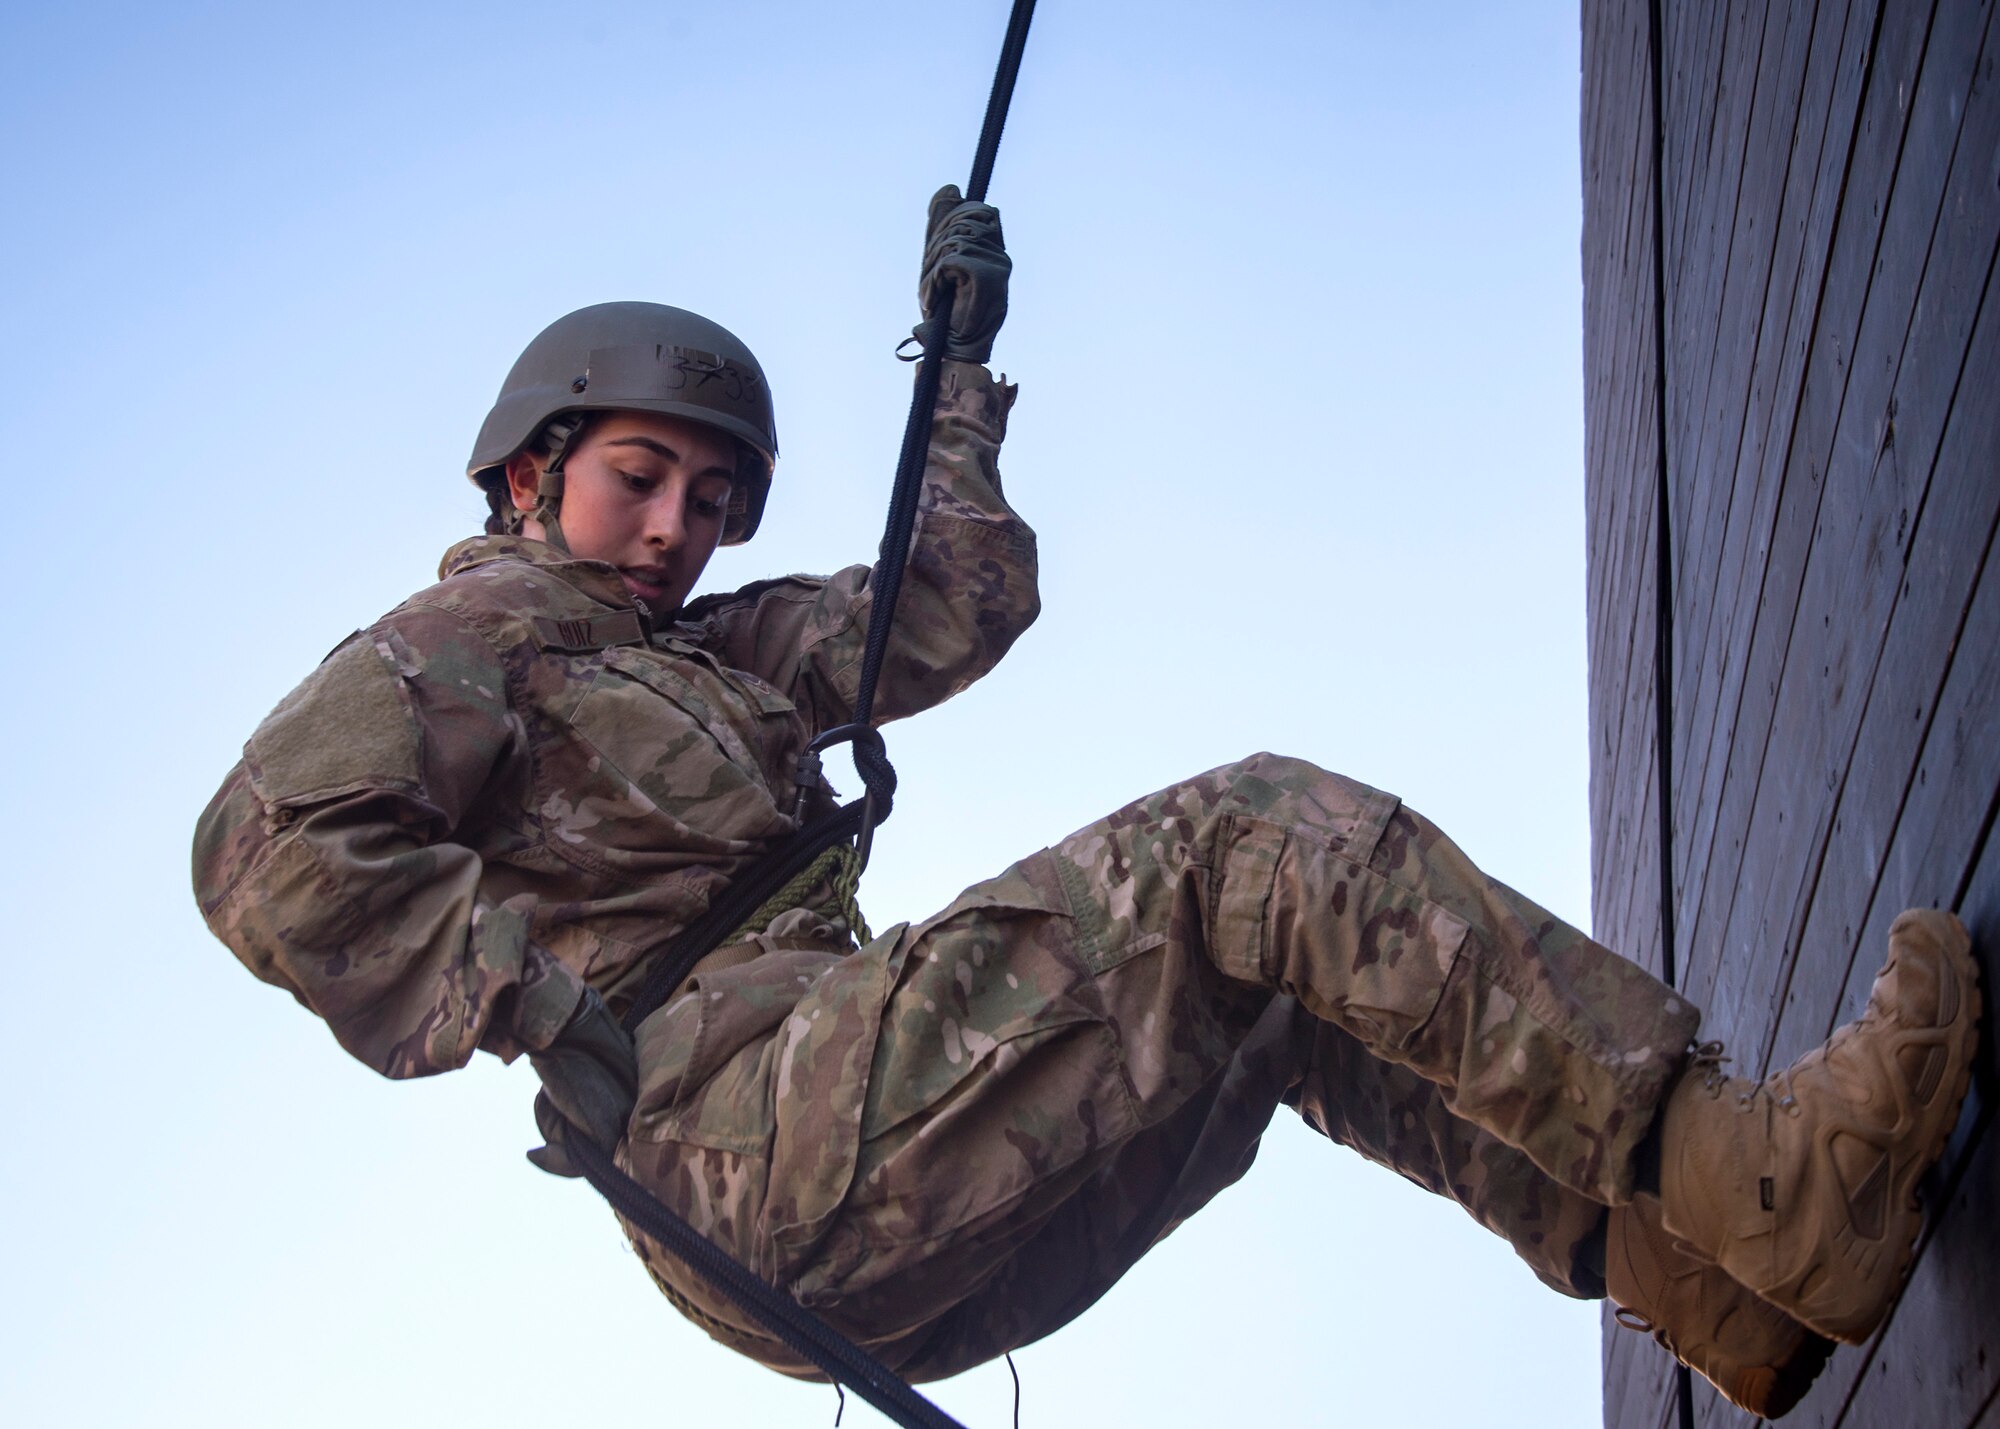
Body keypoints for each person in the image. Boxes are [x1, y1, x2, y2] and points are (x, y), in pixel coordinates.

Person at [192, 188, 1981, 1421]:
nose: (678, 526)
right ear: (531, 471)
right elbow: (265, 850)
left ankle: (1702, 1277)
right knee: (1244, 842)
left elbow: (958, 603)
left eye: (714, 499)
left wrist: (956, 369)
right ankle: (1762, 1171)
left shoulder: (723, 651)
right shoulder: (463, 636)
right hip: (748, 1143)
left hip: (846, 1186)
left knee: (1278, 998)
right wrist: (531, 1000)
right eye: (641, 479)